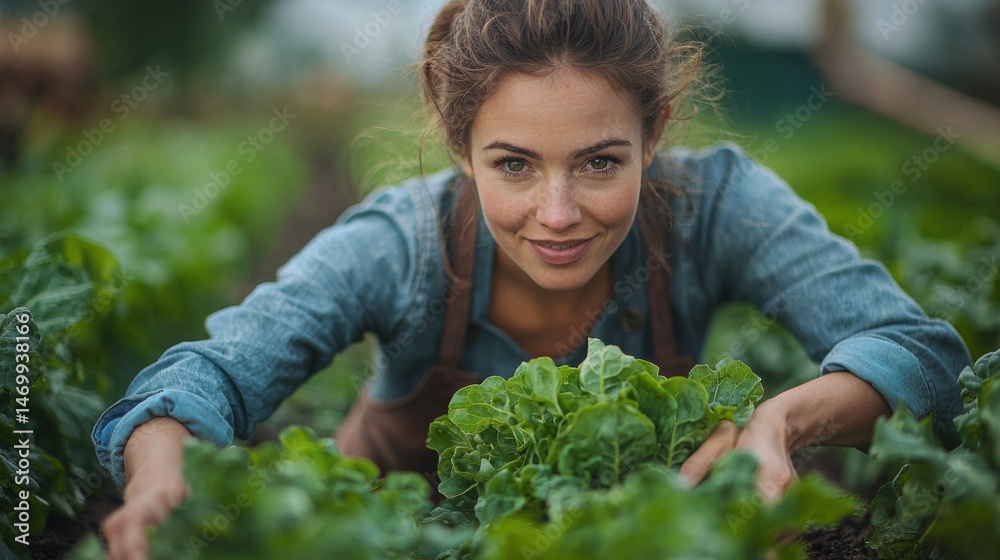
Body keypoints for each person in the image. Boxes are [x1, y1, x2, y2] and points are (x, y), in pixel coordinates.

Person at [94, 0, 971, 558]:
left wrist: (782, 419)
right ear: (457, 144)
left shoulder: (717, 207)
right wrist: (162, 476)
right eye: (513, 165)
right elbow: (204, 379)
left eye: (599, 162)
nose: (557, 213)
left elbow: (921, 355)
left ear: (655, 132)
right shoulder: (399, 243)